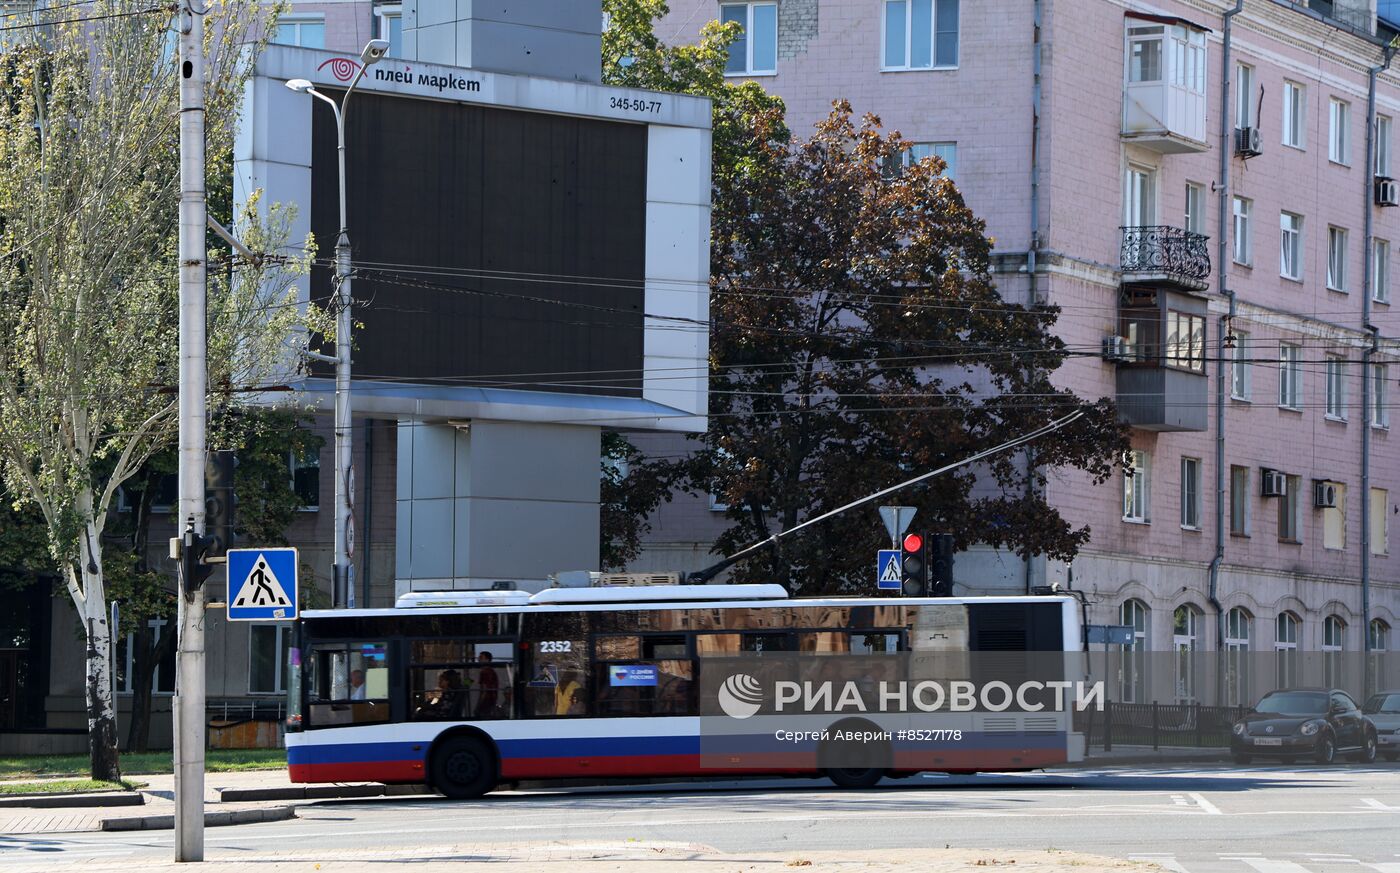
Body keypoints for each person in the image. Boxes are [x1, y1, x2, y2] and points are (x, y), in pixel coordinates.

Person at [474, 652, 500, 718]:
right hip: (490, 701)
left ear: (487, 660)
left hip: (486, 702)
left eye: (481, 658)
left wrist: (479, 705)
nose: (479, 660)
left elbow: (484, 690)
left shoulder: (485, 672)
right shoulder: (490, 671)